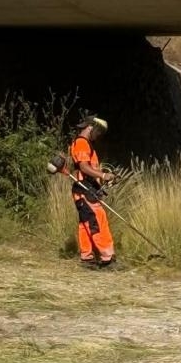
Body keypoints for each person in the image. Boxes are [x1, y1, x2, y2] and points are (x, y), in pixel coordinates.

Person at [69, 114, 117, 268]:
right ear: (90, 128)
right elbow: (84, 167)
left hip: (86, 189)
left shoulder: (85, 143)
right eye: (98, 132)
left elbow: (90, 169)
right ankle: (107, 258)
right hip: (84, 189)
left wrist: (101, 180)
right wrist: (103, 175)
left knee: (86, 223)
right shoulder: (82, 143)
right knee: (97, 222)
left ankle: (87, 258)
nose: (99, 135)